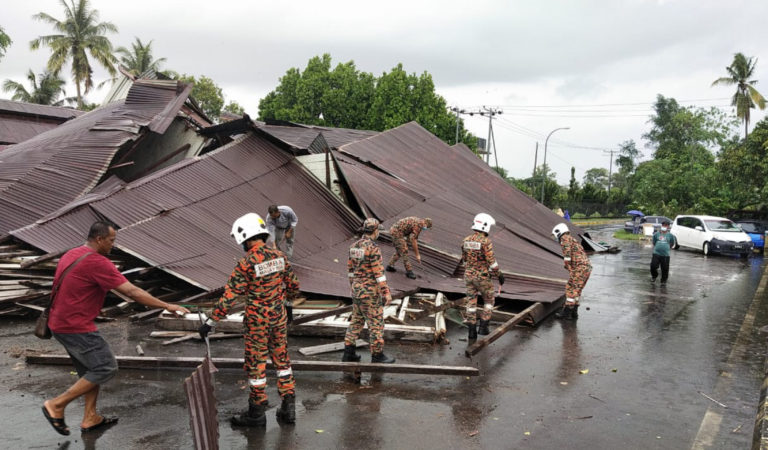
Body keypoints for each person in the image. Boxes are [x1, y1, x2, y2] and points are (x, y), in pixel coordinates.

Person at [42, 221, 190, 436]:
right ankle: (56, 405)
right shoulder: (97, 262)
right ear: (100, 239)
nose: (113, 245)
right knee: (105, 367)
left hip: (60, 323)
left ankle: (90, 417)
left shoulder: (72, 253)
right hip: (75, 326)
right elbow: (132, 292)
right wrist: (167, 305)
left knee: (89, 370)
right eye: (111, 241)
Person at [199, 212, 299, 426]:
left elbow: (230, 296)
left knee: (257, 366)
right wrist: (288, 305)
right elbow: (293, 286)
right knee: (282, 361)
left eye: (242, 240)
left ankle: (256, 413)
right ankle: (288, 408)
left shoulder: (247, 262)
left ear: (247, 236)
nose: (242, 245)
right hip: (278, 318)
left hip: (257, 322)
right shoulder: (280, 257)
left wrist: (211, 322)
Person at [343, 218, 395, 364]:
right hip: (370, 292)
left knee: (356, 321)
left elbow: (350, 270)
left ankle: (349, 352)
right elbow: (378, 273)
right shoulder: (373, 248)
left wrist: (353, 286)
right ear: (375, 231)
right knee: (376, 323)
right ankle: (377, 355)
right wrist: (386, 292)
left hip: (357, 290)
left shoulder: (354, 246)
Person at [460, 213, 505, 338]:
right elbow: (492, 262)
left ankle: (471, 331)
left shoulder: (466, 240)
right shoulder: (486, 242)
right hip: (483, 277)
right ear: (485, 226)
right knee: (489, 300)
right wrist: (499, 275)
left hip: (468, 276)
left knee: (471, 303)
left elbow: (464, 260)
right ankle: (483, 328)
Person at [551, 223, 592, 320]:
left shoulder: (564, 238)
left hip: (580, 267)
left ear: (559, 232)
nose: (556, 237)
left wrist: (568, 266)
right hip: (586, 267)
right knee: (577, 290)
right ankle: (574, 312)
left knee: (571, 288)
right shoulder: (572, 239)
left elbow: (567, 255)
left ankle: (567, 313)